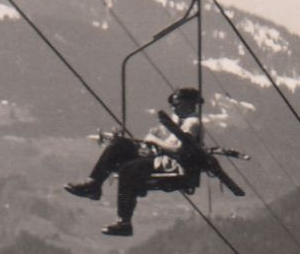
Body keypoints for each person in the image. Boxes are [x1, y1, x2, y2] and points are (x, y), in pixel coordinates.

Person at [66, 87, 206, 236]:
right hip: (160, 160)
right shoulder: (183, 122)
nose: (174, 107)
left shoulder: (192, 123)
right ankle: (93, 183)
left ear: (189, 103)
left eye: (177, 104)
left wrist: (155, 140)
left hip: (168, 165)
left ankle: (124, 221)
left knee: (128, 169)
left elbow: (177, 149)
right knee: (119, 144)